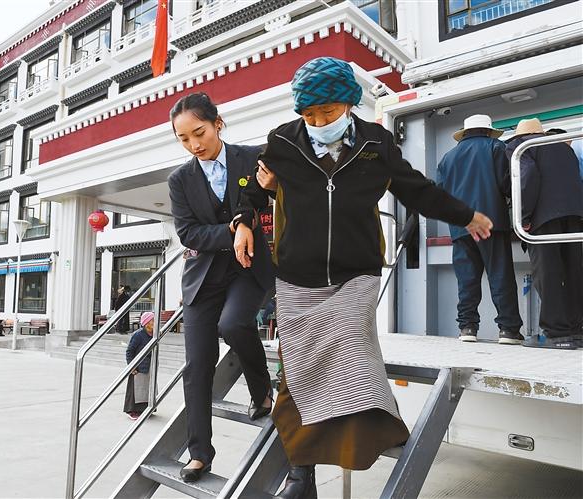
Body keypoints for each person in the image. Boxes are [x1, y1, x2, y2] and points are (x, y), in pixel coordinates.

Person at [233, 57, 494, 498]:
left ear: (350, 104)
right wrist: (243, 221)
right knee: (298, 368)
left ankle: (371, 434)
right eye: (309, 114)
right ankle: (301, 475)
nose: (319, 122)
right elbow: (253, 187)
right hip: (297, 276)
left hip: (357, 272)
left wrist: (466, 215)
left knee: (352, 345)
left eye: (328, 112)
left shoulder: (377, 143)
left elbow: (417, 190)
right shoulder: (283, 140)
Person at [168, 92, 276, 483]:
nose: (194, 144)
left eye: (199, 132)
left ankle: (261, 390)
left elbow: (271, 199)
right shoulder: (180, 180)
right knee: (197, 366)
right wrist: (231, 230)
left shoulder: (253, 158)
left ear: (218, 123)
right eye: (183, 138)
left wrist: (271, 192)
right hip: (203, 279)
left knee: (233, 325)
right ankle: (200, 453)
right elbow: (188, 232)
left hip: (248, 269)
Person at [436, 114, 524, 344]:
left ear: (465, 133)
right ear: (488, 131)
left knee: (467, 281)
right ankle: (508, 330)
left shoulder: (448, 157)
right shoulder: (496, 147)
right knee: (500, 276)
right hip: (490, 223)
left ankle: (467, 328)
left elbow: (439, 195)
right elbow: (508, 184)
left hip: (460, 228)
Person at [505, 118, 583, 349]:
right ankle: (576, 331)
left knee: (548, 274)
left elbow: (527, 176)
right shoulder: (563, 146)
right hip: (574, 215)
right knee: (574, 272)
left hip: (543, 217)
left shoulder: (520, 147)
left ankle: (557, 334)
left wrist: (523, 216)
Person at [123, 312, 155, 420]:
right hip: (138, 367)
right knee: (135, 389)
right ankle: (132, 411)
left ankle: (145, 410)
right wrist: (131, 367)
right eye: (153, 320)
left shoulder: (154, 334)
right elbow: (129, 351)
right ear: (146, 323)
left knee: (146, 389)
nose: (155, 323)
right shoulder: (138, 335)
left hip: (149, 366)